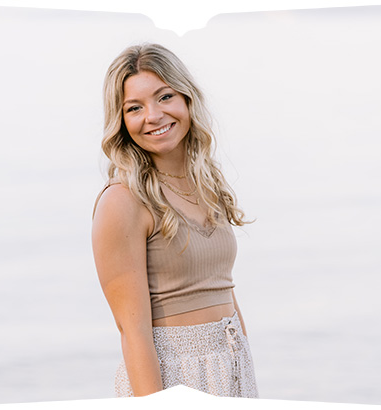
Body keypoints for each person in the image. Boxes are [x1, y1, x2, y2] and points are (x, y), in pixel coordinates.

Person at [91, 43, 257, 397]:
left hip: (230, 366)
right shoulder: (122, 201)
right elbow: (133, 332)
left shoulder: (204, 183)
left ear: (186, 100)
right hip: (175, 377)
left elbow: (225, 290)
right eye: (134, 107)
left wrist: (244, 371)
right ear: (121, 122)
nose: (153, 116)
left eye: (164, 97)